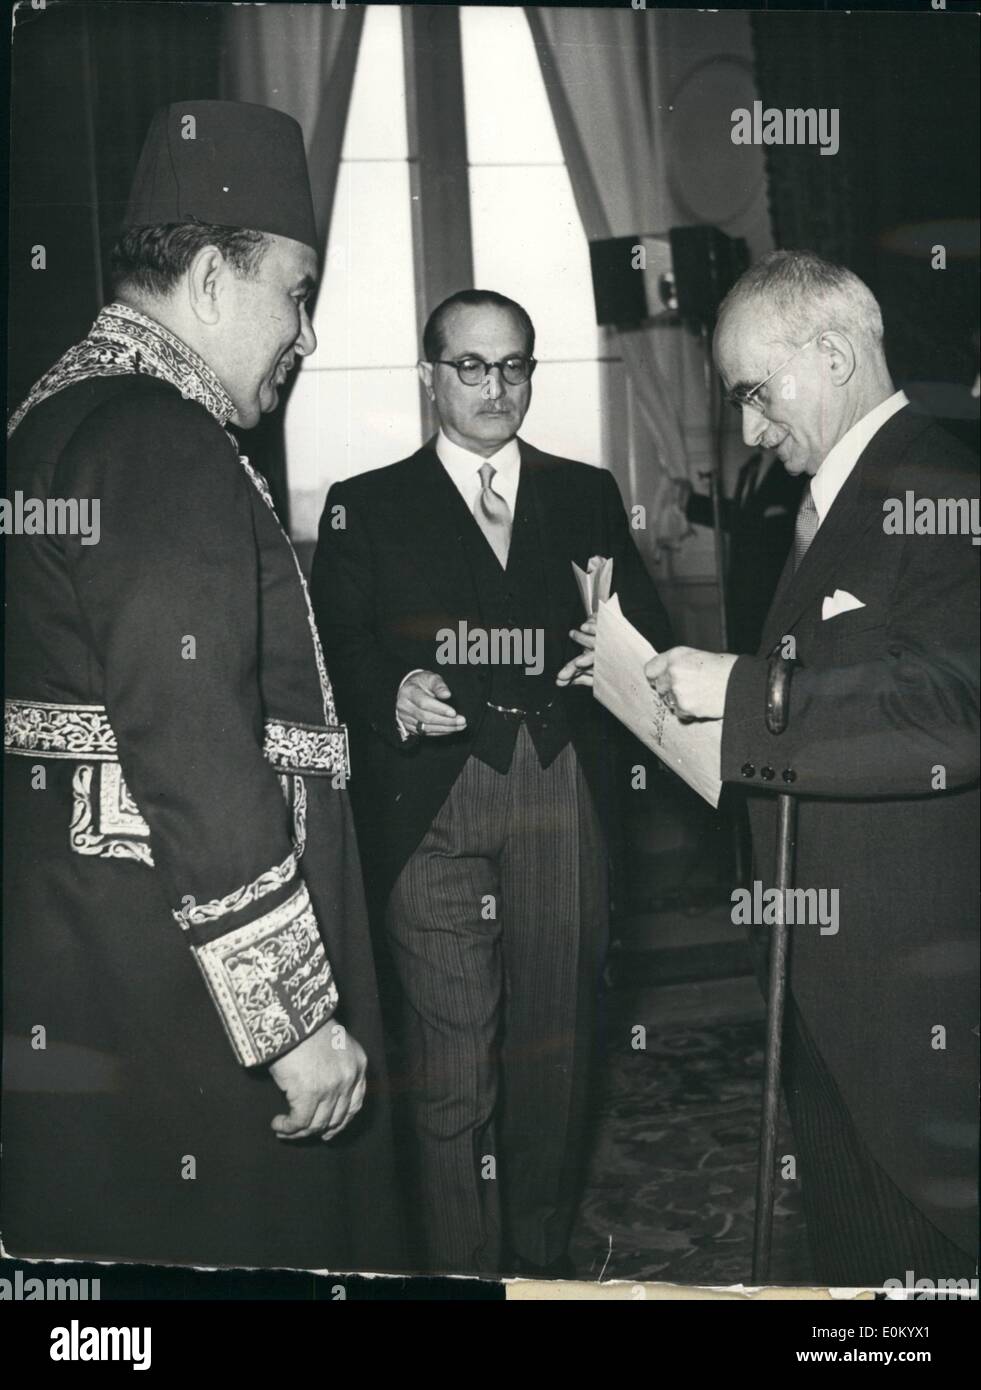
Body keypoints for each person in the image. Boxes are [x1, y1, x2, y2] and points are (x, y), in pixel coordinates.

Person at [2, 99, 402, 1271]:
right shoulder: (160, 438)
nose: (308, 335)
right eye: (298, 292)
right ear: (216, 283)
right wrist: (293, 1022)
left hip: (90, 964)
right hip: (182, 1007)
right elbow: (191, 738)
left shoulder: (51, 422)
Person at [310, 289, 672, 1276]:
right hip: (429, 803)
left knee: (553, 1060)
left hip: (562, 795)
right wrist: (399, 687)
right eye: (470, 365)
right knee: (453, 1070)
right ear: (429, 374)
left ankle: (538, 1267)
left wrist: (614, 657)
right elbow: (335, 647)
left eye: (513, 365)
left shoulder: (589, 492)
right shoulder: (364, 503)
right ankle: (464, 1276)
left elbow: (638, 636)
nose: (493, 386)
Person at [646, 251, 979, 1285]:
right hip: (830, 981)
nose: (747, 430)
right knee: (861, 1262)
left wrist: (742, 692)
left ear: (831, 353)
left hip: (907, 995)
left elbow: (949, 711)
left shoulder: (937, 486)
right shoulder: (847, 494)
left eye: (755, 391)